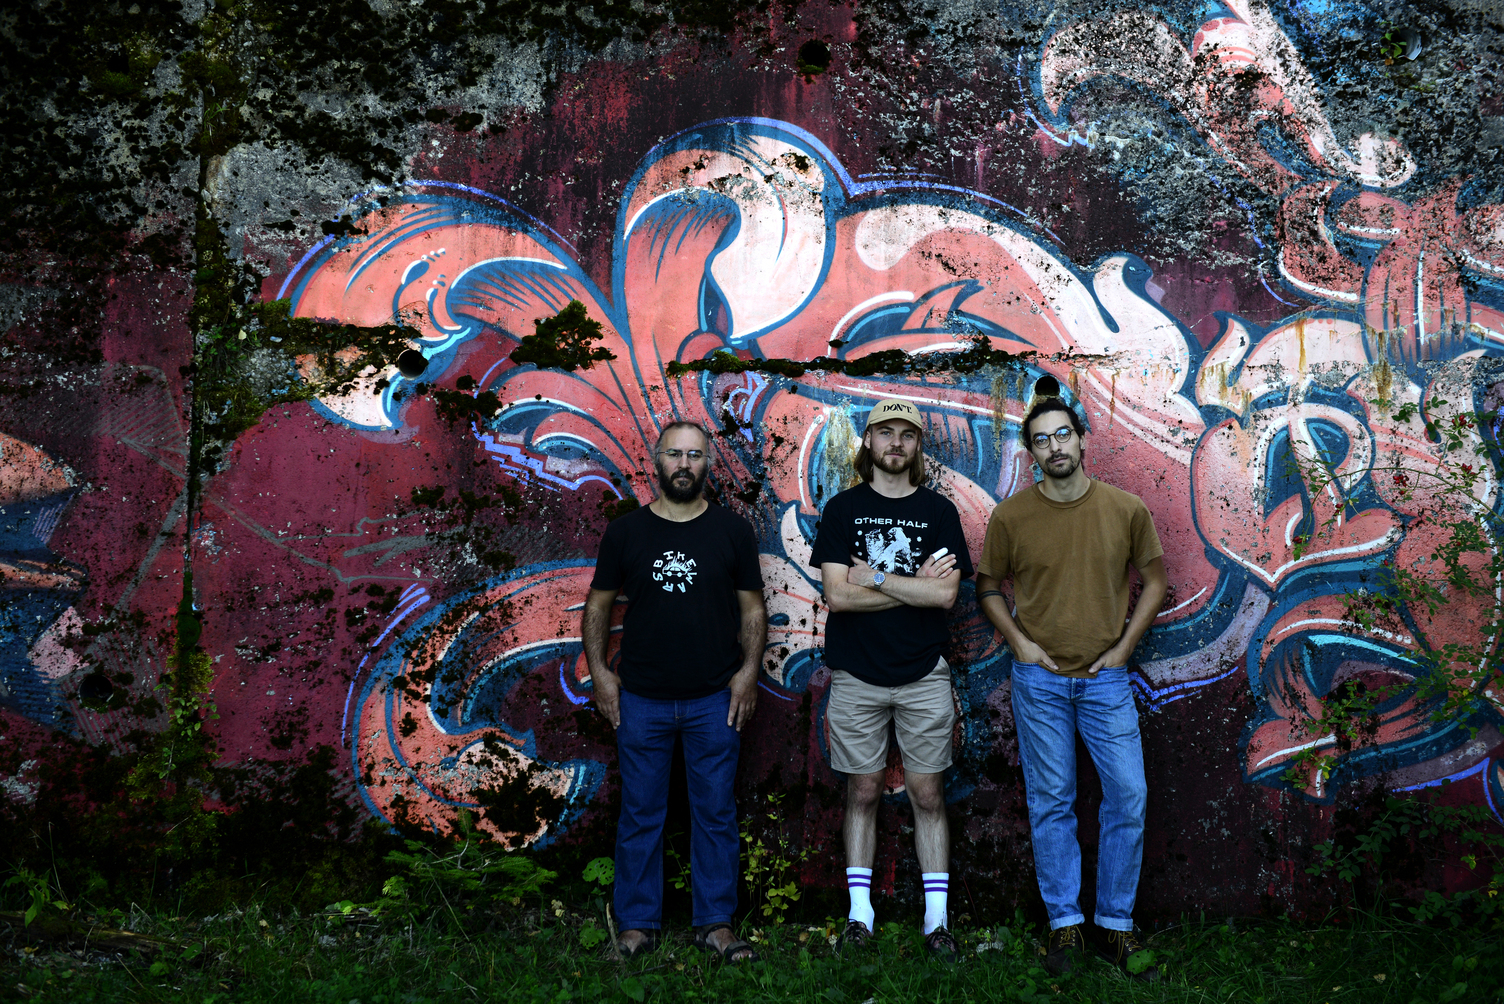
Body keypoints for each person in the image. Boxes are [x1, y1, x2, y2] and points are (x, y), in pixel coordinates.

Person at [975, 395, 1168, 981]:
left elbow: (1156, 579)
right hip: (1039, 680)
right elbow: (987, 588)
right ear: (1030, 451)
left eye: (1063, 435)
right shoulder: (1011, 517)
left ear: (1083, 439)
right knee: (1051, 802)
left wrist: (1123, 650)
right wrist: (1020, 645)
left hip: (1106, 680)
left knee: (1128, 796)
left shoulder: (1125, 508)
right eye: (1042, 439)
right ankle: (1065, 925)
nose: (1055, 447)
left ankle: (1113, 927)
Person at [581, 421, 768, 964]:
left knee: (715, 813)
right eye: (674, 454)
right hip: (642, 698)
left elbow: (753, 609)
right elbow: (598, 605)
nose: (684, 464)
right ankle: (637, 925)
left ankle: (716, 925)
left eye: (695, 455)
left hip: (716, 697)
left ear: (708, 464)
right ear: (656, 461)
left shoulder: (732, 531)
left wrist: (748, 672)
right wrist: (601, 674)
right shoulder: (626, 532)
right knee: (641, 812)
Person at [809, 398, 972, 960]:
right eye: (885, 433)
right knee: (863, 789)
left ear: (917, 445)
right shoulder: (842, 510)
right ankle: (859, 915)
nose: (896, 443)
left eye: (907, 434)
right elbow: (836, 597)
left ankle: (936, 921)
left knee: (928, 793)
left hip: (924, 672)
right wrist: (910, 586)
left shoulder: (939, 513)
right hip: (856, 674)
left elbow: (946, 595)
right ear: (869, 443)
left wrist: (874, 576)